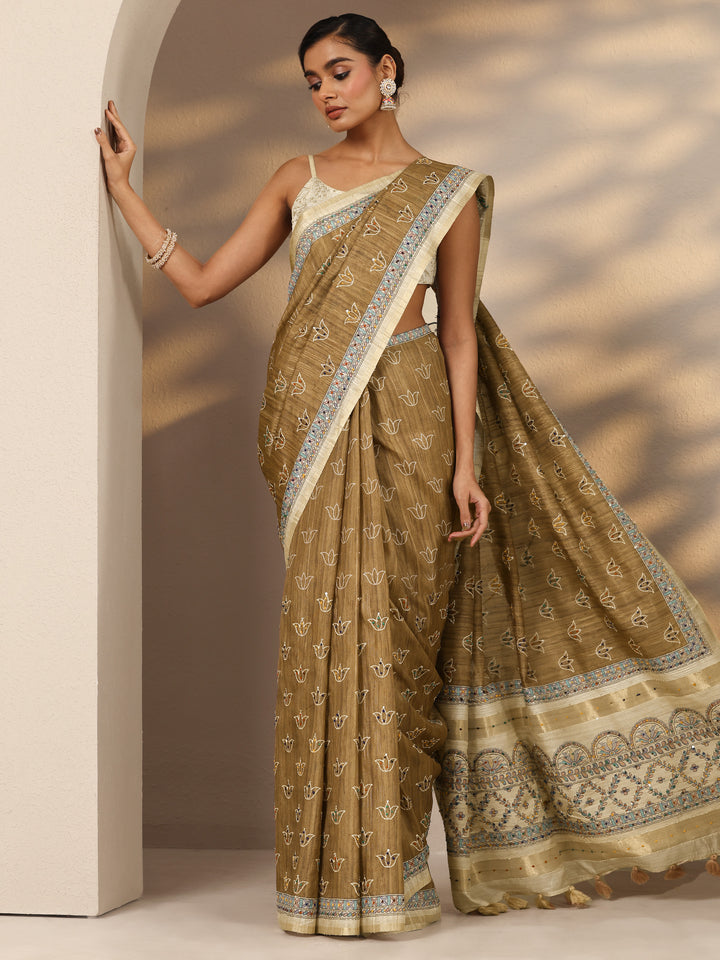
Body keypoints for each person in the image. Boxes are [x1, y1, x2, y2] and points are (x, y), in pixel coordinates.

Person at [95, 11, 720, 940]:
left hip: (417, 420)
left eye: (339, 70)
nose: (325, 91)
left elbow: (460, 334)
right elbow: (200, 282)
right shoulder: (297, 178)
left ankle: (391, 881)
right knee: (328, 638)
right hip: (315, 424)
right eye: (312, 80)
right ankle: (328, 887)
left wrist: (467, 464)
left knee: (400, 643)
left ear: (386, 69)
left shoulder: (446, 191)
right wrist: (124, 187)